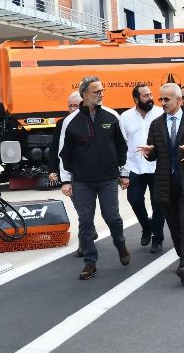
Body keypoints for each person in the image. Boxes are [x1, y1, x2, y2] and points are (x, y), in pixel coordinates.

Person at [58, 76, 131, 280]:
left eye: (102, 91)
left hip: (108, 179)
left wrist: (124, 173)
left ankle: (120, 244)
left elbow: (122, 146)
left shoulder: (111, 116)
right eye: (96, 91)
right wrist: (65, 180)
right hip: (82, 181)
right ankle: (90, 262)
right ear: (84, 95)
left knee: (113, 217)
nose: (101, 94)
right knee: (86, 221)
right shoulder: (70, 122)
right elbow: (63, 153)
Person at [139, 83, 184, 284]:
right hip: (164, 183)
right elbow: (153, 155)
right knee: (174, 224)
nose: (162, 103)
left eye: (166, 99)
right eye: (161, 99)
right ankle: (183, 255)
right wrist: (149, 153)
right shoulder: (156, 124)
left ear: (178, 100)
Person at [48, 90, 95, 257]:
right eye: (70, 106)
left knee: (87, 211)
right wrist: (53, 170)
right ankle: (86, 240)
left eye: (77, 105)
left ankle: (87, 235)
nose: (73, 108)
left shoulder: (93, 121)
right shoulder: (63, 124)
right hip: (73, 173)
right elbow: (55, 149)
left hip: (92, 174)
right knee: (82, 210)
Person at [120, 84, 165, 253]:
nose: (150, 97)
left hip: (157, 167)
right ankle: (147, 226)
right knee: (135, 200)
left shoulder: (160, 113)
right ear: (136, 99)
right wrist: (122, 171)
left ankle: (157, 238)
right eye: (145, 95)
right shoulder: (125, 117)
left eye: (150, 94)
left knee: (158, 204)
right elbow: (121, 145)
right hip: (134, 168)